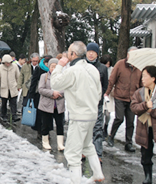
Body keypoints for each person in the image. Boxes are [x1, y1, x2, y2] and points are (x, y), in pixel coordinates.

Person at [51, 41, 104, 183]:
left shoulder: (73, 71)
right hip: (92, 114)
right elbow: (99, 93)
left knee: (72, 154)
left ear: (73, 54)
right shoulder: (93, 69)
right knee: (88, 145)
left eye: (69, 52)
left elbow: (55, 83)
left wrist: (60, 66)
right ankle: (98, 174)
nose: (67, 54)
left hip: (79, 116)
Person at [104, 46, 142, 152]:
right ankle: (111, 136)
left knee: (130, 122)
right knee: (119, 118)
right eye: (131, 54)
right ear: (127, 54)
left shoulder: (139, 67)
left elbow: (141, 84)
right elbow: (112, 80)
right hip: (120, 96)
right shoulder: (120, 64)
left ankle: (128, 143)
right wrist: (106, 92)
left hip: (133, 99)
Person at [86, 43, 108, 163]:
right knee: (84, 127)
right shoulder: (81, 66)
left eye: (93, 52)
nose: (90, 54)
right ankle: (83, 152)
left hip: (97, 103)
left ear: (97, 54)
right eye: (89, 51)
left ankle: (98, 153)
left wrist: (99, 96)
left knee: (97, 128)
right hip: (83, 102)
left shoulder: (102, 68)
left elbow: (105, 85)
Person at [38, 58, 65, 151]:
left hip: (59, 105)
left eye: (55, 66)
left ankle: (60, 144)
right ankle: (45, 142)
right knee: (45, 124)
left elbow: (66, 89)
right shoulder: (43, 76)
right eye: (52, 66)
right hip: (46, 105)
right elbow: (40, 89)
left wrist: (58, 94)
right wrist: (52, 93)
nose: (53, 68)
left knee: (60, 124)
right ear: (48, 67)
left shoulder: (63, 77)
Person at [29, 55, 53, 139]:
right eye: (47, 63)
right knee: (39, 115)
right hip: (39, 95)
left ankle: (47, 131)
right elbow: (33, 82)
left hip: (50, 95)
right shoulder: (38, 69)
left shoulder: (53, 70)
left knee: (48, 114)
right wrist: (31, 95)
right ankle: (40, 131)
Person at [0, 54, 20, 122]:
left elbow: (18, 77)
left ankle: (14, 115)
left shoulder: (15, 67)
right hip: (4, 88)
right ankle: (3, 115)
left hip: (13, 87)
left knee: (13, 102)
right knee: (4, 103)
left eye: (9, 62)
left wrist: (18, 85)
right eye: (7, 63)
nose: (8, 64)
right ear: (4, 62)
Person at [100, 54, 115, 138]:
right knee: (101, 113)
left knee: (108, 113)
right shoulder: (100, 69)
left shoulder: (112, 70)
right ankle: (101, 129)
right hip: (101, 92)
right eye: (106, 63)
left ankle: (106, 126)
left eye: (108, 64)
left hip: (109, 94)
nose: (107, 65)